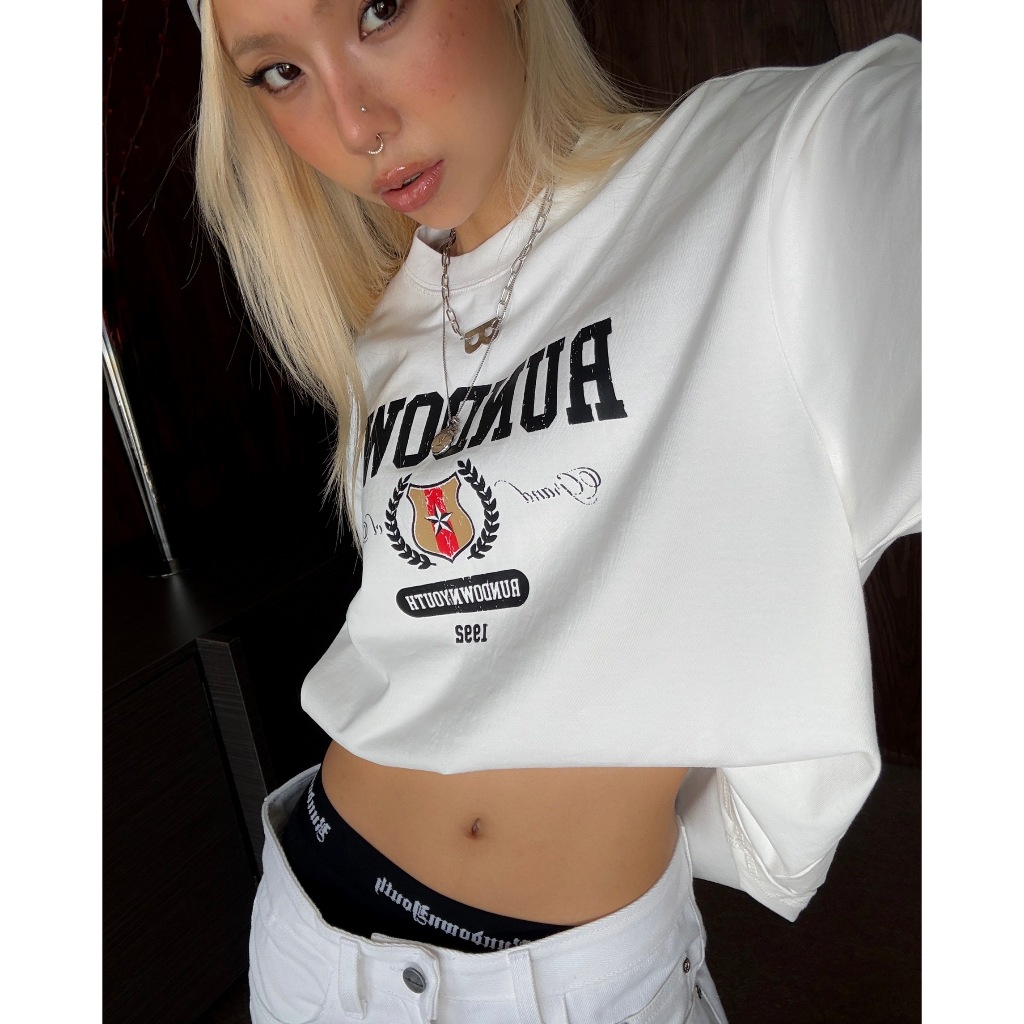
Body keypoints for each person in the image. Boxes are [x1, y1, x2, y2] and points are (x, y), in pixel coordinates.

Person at [188, 1, 920, 1021]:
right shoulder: (392, 323)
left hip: (569, 984)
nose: (354, 125)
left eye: (379, 10)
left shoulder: (767, 169)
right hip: (310, 931)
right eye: (279, 73)